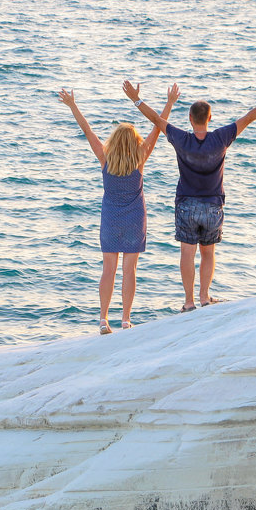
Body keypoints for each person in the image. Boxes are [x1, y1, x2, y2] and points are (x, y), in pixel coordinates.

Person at [123, 79, 256, 313]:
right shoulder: (221, 138)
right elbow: (250, 117)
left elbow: (157, 121)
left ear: (190, 119)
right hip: (212, 205)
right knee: (208, 252)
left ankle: (189, 301)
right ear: (209, 119)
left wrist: (135, 99)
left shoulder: (182, 139)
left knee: (187, 253)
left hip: (186, 205)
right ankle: (204, 297)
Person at [59, 85, 179, 334]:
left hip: (111, 219)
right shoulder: (140, 157)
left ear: (113, 141)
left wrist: (72, 105)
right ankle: (126, 319)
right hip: (135, 219)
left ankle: (103, 319)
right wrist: (169, 102)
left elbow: (87, 129)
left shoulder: (105, 157)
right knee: (129, 270)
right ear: (135, 142)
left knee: (108, 270)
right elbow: (158, 126)